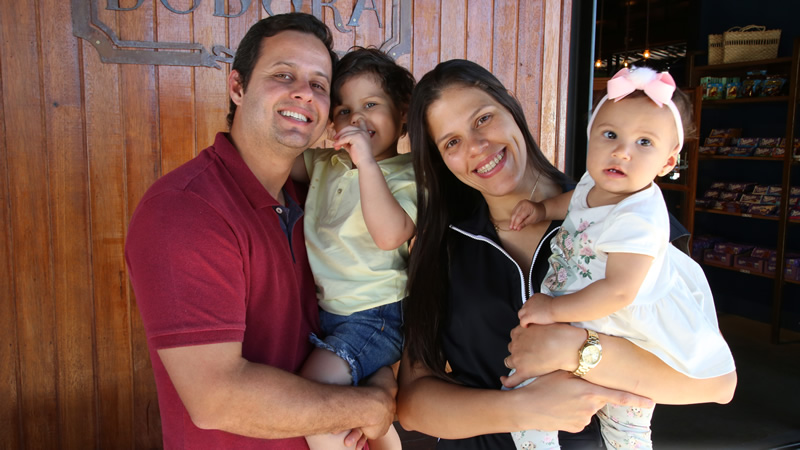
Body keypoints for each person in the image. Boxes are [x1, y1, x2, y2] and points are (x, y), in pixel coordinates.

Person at [395, 59, 738, 450]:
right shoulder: (442, 244)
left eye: (483, 119)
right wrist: (522, 409)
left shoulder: (628, 219)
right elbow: (413, 404)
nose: (476, 146)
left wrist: (577, 351)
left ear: (511, 107)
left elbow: (716, 384)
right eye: (451, 142)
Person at [125, 13, 396, 450]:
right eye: (283, 75)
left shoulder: (319, 199)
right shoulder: (184, 209)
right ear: (237, 87)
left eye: (319, 84)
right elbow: (217, 398)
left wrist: (381, 375)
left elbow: (373, 306)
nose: (304, 93)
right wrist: (371, 405)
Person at [504, 67, 736, 449]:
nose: (621, 151)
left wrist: (551, 310)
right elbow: (575, 201)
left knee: (620, 423)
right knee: (546, 406)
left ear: (667, 163)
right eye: (610, 134)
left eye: (644, 142)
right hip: (590, 318)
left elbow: (619, 291)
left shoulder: (639, 216)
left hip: (623, 329)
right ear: (590, 136)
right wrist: (543, 209)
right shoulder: (596, 182)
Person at [290, 47, 417, 450]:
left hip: (375, 315)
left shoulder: (410, 175)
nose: (356, 118)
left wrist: (367, 163)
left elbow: (390, 235)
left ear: (402, 112)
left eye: (371, 105)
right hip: (328, 313)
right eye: (343, 110)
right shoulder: (324, 163)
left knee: (314, 398)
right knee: (359, 411)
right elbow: (277, 158)